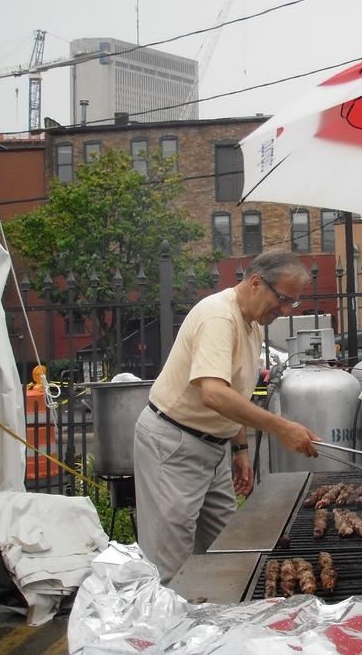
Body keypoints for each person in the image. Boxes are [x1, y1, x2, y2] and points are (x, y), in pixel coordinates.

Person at [134, 249, 320, 583]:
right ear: (255, 283)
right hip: (174, 444)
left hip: (213, 448)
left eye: (291, 303)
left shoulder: (252, 323)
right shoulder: (219, 317)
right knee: (170, 561)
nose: (284, 309)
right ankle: (165, 632)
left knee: (224, 547)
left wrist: (239, 449)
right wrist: (281, 428)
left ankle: (214, 628)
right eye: (282, 299)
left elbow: (234, 391)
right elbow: (214, 392)